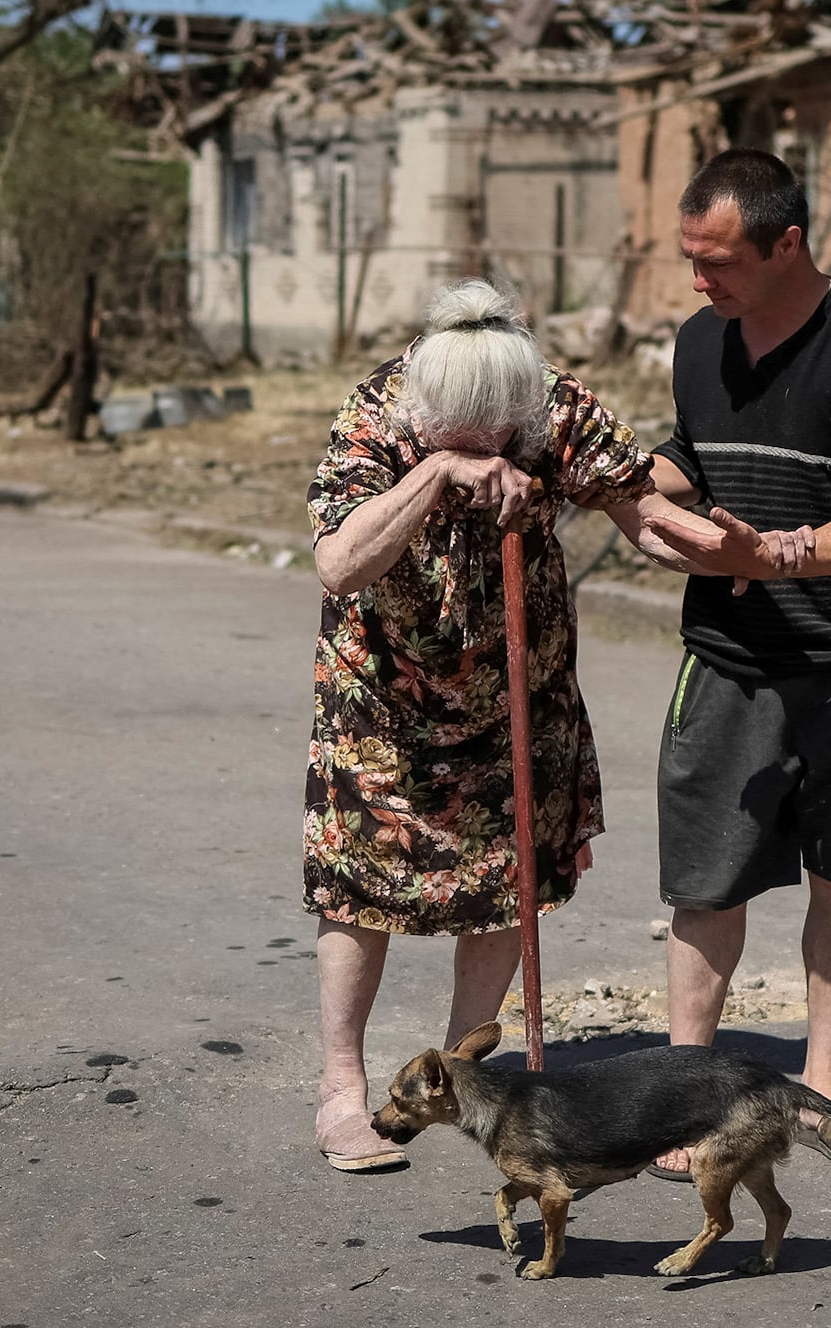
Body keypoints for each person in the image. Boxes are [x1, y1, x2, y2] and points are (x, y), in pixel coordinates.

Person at [302, 276, 784, 1172]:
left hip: (518, 694)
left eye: (502, 431)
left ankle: (460, 1076)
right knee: (357, 886)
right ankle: (342, 1089)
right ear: (426, 401)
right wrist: (437, 474)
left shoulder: (550, 402)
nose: (490, 444)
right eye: (465, 433)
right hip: (385, 704)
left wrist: (733, 554)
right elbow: (339, 562)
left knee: (502, 879)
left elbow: (642, 515)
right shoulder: (379, 411)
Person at [639, 149, 831, 1176]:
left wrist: (776, 552)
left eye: (719, 259)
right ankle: (685, 1094)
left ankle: (826, 1085)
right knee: (705, 884)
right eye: (691, 258)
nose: (700, 280)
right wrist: (629, 484)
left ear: (788, 243)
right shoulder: (699, 340)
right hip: (728, 659)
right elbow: (694, 453)